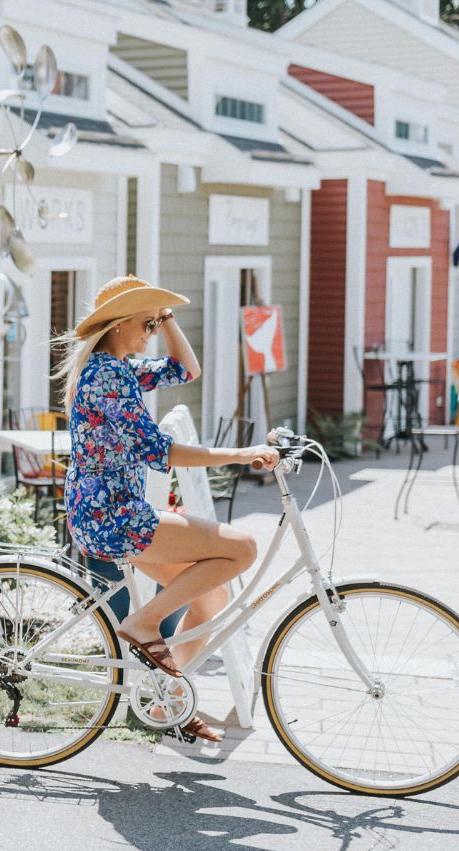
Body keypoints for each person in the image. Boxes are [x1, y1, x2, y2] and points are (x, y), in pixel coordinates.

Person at [57, 276, 277, 744]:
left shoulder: (120, 367)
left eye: (157, 323)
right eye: (146, 323)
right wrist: (239, 454)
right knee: (241, 548)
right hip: (114, 515)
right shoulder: (108, 377)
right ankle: (142, 624)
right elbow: (163, 452)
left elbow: (187, 369)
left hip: (112, 513)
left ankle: (166, 703)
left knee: (211, 600)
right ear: (118, 325)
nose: (151, 332)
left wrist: (165, 313)